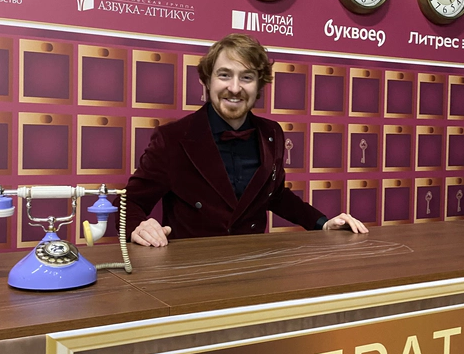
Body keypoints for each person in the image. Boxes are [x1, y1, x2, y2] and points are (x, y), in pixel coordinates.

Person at [121, 33, 368, 246]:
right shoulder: (173, 138)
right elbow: (129, 202)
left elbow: (276, 196)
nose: (235, 88)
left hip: (254, 265)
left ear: (259, 85)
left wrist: (323, 223)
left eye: (247, 77)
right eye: (224, 75)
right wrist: (139, 226)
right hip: (190, 270)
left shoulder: (272, 133)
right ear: (207, 81)